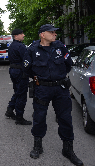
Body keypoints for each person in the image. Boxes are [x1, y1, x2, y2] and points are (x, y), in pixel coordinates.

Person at [23, 24, 83, 166]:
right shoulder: (32, 49)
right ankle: (38, 146)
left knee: (65, 118)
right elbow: (27, 69)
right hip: (42, 88)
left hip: (61, 88)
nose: (55, 34)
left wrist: (58, 76)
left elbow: (68, 64)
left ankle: (68, 149)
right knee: (39, 117)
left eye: (55, 32)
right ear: (42, 35)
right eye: (52, 32)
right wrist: (41, 79)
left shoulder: (60, 47)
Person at [5, 29, 32, 125]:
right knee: (22, 95)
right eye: (22, 34)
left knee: (17, 92)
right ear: (16, 36)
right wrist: (30, 72)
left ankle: (10, 109)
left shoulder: (11, 46)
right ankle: (19, 118)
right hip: (20, 72)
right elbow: (27, 61)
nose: (23, 35)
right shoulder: (21, 46)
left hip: (13, 71)